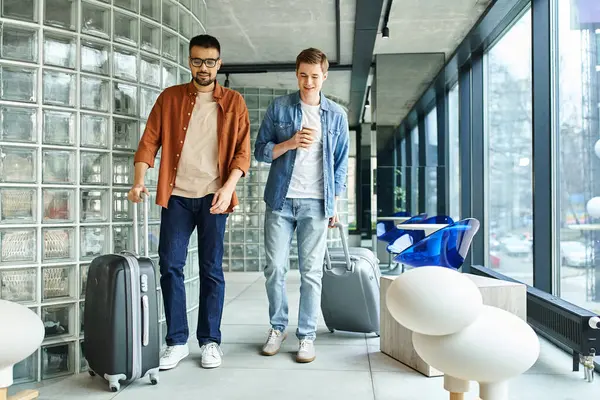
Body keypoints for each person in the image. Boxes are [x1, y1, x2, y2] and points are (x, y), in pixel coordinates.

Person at [129, 34, 250, 370]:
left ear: (219, 63)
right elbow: (149, 141)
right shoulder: (170, 98)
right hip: (177, 197)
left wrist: (228, 188)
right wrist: (139, 181)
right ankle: (177, 341)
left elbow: (243, 151)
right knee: (170, 267)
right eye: (197, 61)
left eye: (210, 61)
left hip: (215, 196)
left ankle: (210, 341)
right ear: (189, 61)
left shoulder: (234, 102)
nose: (204, 68)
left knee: (211, 270)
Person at [254, 47, 350, 363]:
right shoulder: (280, 108)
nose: (308, 82)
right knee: (275, 269)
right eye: (303, 76)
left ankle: (306, 336)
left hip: (316, 204)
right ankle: (277, 327)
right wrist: (291, 142)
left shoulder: (337, 115)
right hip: (280, 201)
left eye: (314, 76)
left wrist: (335, 203)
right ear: (297, 74)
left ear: (324, 76)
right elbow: (261, 151)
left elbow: (339, 164)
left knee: (311, 274)